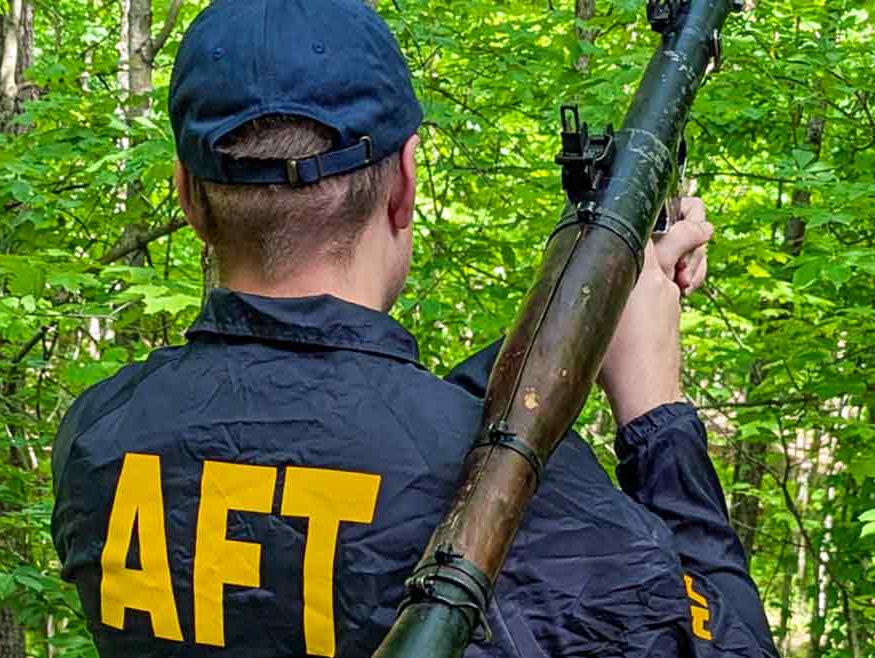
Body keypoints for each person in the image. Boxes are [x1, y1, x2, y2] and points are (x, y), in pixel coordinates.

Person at [50, 0, 779, 656]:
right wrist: (655, 412)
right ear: (405, 182)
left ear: (188, 196)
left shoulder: (99, 439)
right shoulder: (527, 502)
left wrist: (583, 322)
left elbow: (358, 448)